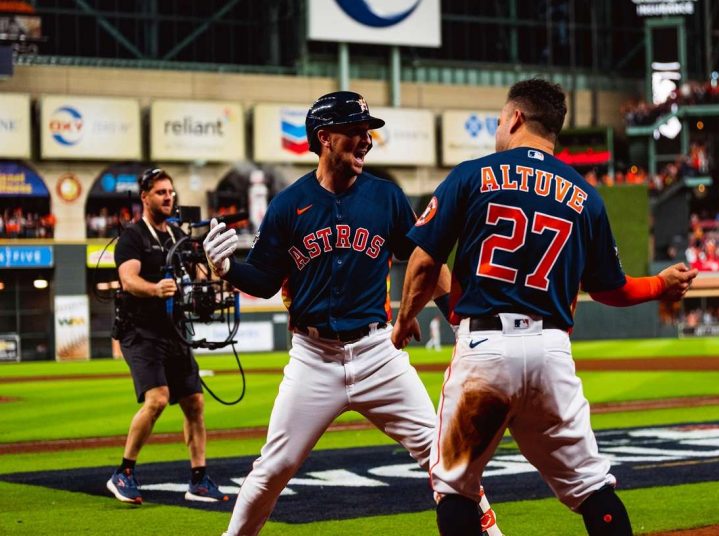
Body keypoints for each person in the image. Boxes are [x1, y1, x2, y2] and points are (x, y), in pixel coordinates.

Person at [391, 79, 698, 536]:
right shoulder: (586, 196)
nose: (498, 128)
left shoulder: (472, 175)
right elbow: (611, 289)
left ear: (515, 118)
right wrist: (659, 283)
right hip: (551, 350)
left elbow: (422, 262)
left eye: (499, 119)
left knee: (455, 488)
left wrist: (404, 318)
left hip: (485, 349)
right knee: (593, 488)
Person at [203, 91, 502, 536]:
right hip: (313, 358)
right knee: (273, 468)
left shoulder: (386, 197)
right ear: (325, 138)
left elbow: (424, 260)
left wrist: (456, 319)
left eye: (368, 132)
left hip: (377, 352)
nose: (367, 141)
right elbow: (263, 281)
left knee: (444, 455)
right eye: (356, 132)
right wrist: (226, 269)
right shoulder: (289, 205)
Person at [107, 168, 228, 505]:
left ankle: (199, 480)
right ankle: (124, 472)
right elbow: (128, 280)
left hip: (173, 329)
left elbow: (199, 271)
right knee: (158, 399)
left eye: (170, 192)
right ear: (144, 197)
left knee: (194, 402)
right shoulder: (133, 236)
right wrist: (155, 288)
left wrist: (213, 285)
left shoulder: (177, 234)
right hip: (139, 330)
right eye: (160, 192)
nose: (168, 197)